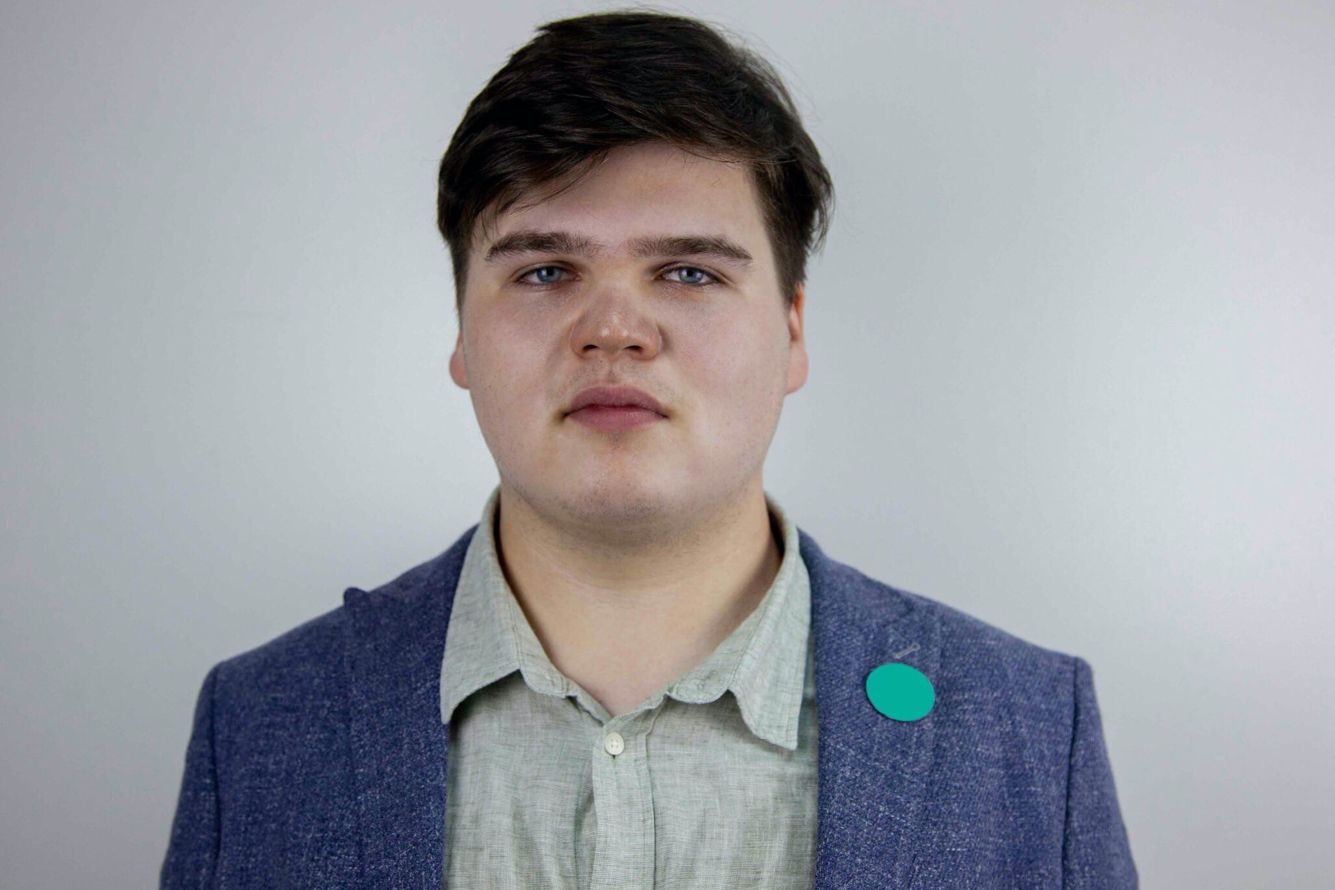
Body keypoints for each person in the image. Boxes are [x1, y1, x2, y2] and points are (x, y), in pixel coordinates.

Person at [161, 9, 1137, 888]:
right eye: (546, 271)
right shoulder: (260, 720)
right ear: (460, 331)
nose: (614, 331)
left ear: (792, 329)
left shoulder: (1026, 725)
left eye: (688, 272)